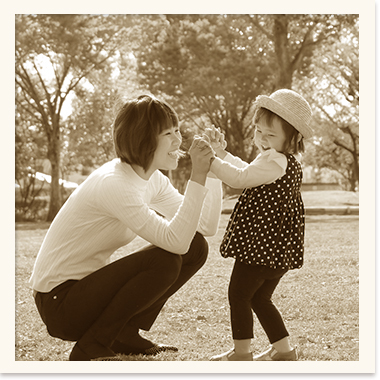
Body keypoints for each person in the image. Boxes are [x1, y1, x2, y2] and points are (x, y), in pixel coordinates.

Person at [29, 94, 221, 361]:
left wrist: (211, 171)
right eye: (168, 133)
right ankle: (91, 346)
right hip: (59, 302)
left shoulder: (152, 178)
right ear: (142, 138)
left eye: (177, 130)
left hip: (85, 293)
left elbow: (204, 227)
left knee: (197, 247)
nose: (179, 140)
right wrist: (197, 175)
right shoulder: (115, 183)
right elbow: (175, 242)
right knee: (164, 261)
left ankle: (124, 333)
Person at [205, 89, 313, 361]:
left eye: (270, 135)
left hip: (260, 247)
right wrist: (223, 155)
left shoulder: (275, 160)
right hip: (275, 250)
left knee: (239, 294)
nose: (262, 139)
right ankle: (284, 349)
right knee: (259, 299)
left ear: (293, 138)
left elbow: (240, 178)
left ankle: (242, 354)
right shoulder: (281, 159)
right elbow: (247, 171)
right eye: (258, 131)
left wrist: (212, 161)